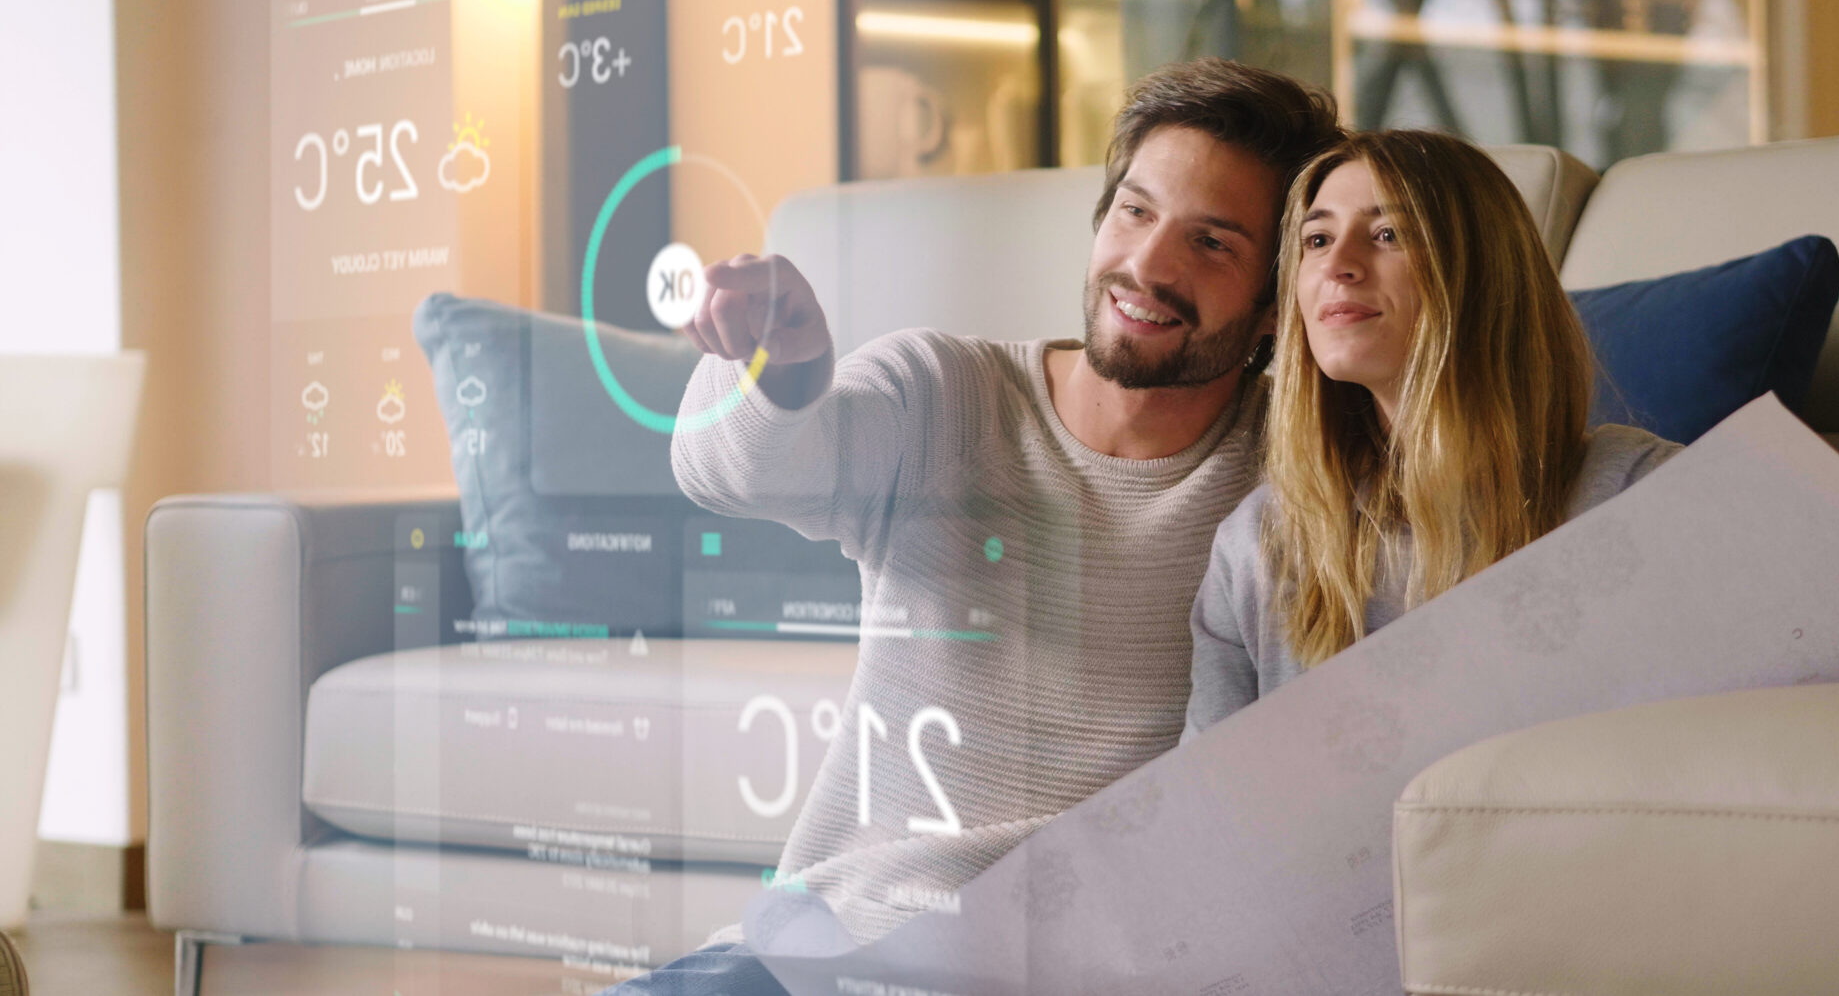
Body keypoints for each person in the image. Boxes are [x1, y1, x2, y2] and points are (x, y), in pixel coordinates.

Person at [600, 59, 1342, 995]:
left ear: (1276, 307)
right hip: (834, 947)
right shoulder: (949, 395)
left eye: (1213, 244)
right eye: (1135, 212)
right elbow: (726, 467)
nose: (1151, 265)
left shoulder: (1296, 475)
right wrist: (781, 364)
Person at [1184, 130, 1680, 735]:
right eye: (1316, 239)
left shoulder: (1641, 491)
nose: (1337, 264)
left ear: (1481, 273)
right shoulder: (1258, 543)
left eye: (1388, 234)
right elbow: (1211, 809)